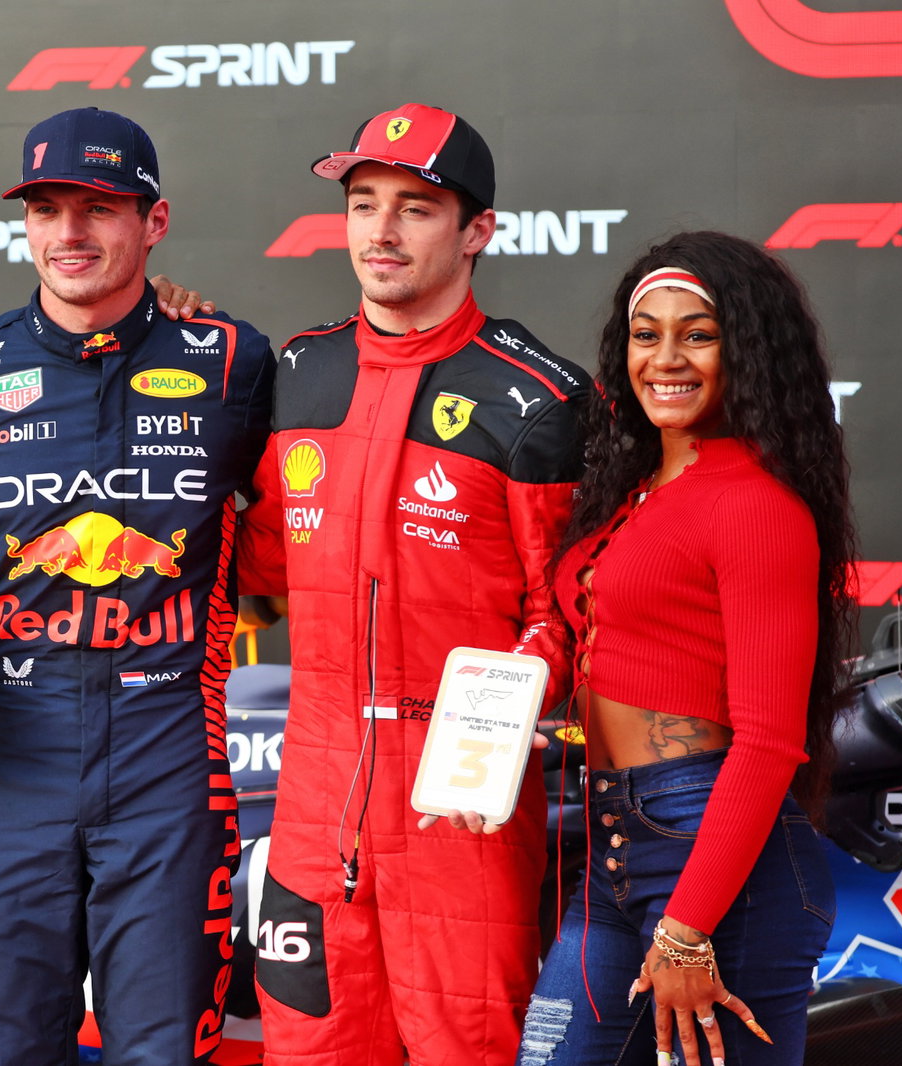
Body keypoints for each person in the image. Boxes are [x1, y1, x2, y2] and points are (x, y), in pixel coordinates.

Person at [0, 107, 275, 1065]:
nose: (70, 233)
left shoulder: (231, 360)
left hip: (170, 748)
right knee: (8, 1047)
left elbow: (296, 531)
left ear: (155, 221)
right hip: (7, 750)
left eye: (100, 207)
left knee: (162, 1049)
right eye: (48, 208)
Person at [236, 103, 589, 1066]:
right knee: (307, 1052)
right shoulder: (297, 372)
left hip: (462, 816)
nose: (381, 232)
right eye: (362, 203)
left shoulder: (541, 400)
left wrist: (493, 725)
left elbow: (566, 613)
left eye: (416, 208)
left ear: (477, 231)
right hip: (312, 809)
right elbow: (254, 564)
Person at [517, 231, 856, 1066]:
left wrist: (688, 929)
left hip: (715, 861)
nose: (666, 357)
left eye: (697, 334)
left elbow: (771, 741)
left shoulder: (756, 504)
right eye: (647, 334)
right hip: (612, 842)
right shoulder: (634, 492)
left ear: (745, 348)